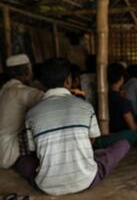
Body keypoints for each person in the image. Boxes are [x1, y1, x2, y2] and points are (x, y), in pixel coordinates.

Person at [16, 58, 129, 196]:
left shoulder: (31, 114)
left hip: (47, 186)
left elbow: (34, 150)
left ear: (41, 82)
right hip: (86, 180)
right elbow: (92, 140)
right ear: (68, 80)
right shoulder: (85, 107)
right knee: (122, 145)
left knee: (21, 161)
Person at [0, 54, 43, 169]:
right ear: (28, 71)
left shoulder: (4, 89)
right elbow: (49, 101)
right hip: (8, 152)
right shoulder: (23, 92)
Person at [108, 63, 137, 132]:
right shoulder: (123, 102)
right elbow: (133, 128)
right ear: (121, 78)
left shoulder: (102, 99)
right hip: (122, 137)